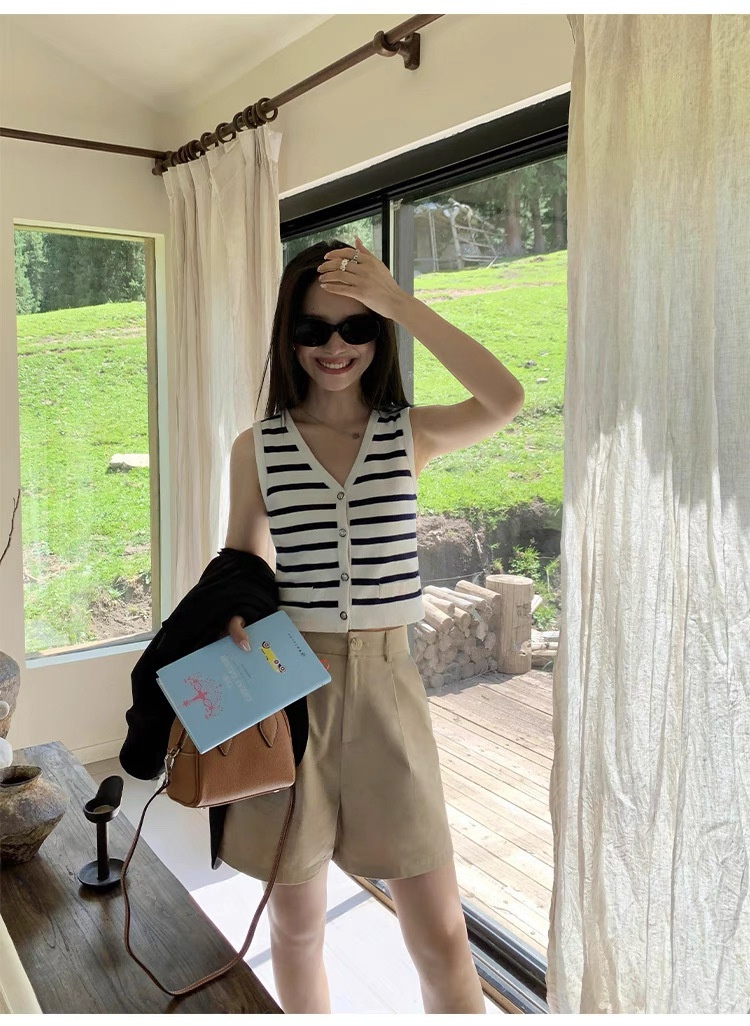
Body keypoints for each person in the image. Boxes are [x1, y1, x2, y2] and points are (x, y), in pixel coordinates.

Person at [220, 236, 525, 1014]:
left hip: (391, 689)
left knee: (441, 934)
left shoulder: (408, 433)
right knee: (296, 930)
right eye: (314, 328)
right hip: (289, 687)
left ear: (378, 333)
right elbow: (241, 563)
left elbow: (504, 398)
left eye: (356, 327)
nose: (335, 346)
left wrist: (396, 300)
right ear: (289, 336)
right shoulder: (257, 448)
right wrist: (233, 615)